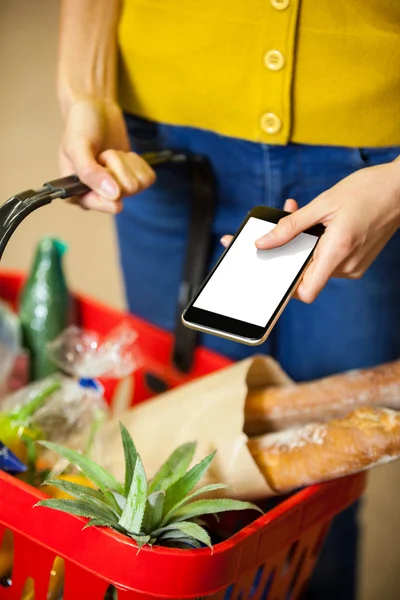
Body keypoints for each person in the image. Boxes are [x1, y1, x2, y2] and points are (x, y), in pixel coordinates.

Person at [57, 1, 400, 598]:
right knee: (165, 447)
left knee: (328, 472)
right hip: (158, 137)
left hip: (376, 154)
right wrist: (87, 94)